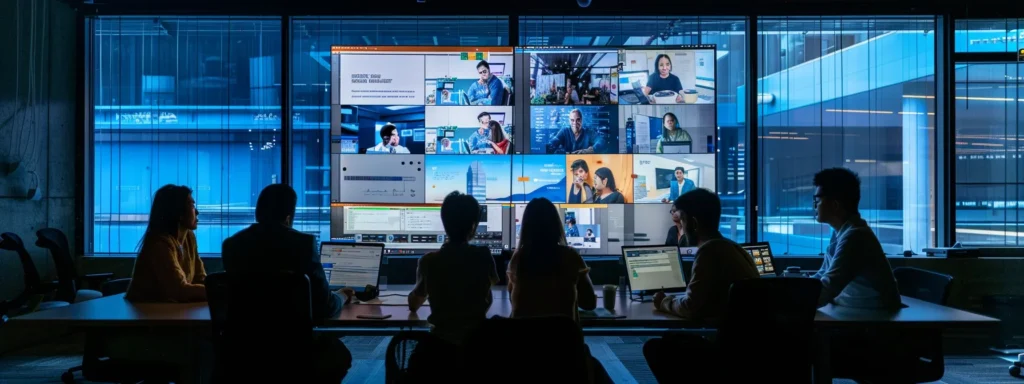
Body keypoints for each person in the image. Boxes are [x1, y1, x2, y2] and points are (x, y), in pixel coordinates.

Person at [221, 184, 354, 382]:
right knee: (339, 354)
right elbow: (324, 306)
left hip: (243, 349)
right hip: (295, 349)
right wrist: (343, 295)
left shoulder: (231, 245)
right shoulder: (303, 244)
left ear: (258, 213)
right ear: (289, 217)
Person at [644, 189, 759, 383]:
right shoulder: (734, 248)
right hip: (750, 350)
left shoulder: (709, 252)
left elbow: (690, 307)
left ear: (694, 223)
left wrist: (664, 301)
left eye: (681, 221)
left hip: (729, 354)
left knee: (657, 348)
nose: (679, 227)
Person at [506, 198, 611, 383]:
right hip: (567, 354)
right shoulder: (569, 256)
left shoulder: (518, 258)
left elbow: (513, 299)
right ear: (557, 225)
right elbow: (589, 304)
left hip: (522, 356)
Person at [408, 191, 499, 346]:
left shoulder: (429, 261)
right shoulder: (483, 256)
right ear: (473, 225)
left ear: (445, 223)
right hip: (477, 346)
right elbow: (487, 297)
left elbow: (414, 304)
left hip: (440, 349)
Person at [811, 168, 901, 310]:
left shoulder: (855, 237)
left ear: (835, 205)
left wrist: (783, 302)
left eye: (817, 199)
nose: (814, 205)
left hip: (872, 321)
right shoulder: (839, 233)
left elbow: (826, 289)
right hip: (852, 312)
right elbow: (823, 275)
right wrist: (794, 289)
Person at [126, 184, 207, 303]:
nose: (197, 211)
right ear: (178, 212)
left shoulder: (189, 237)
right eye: (192, 205)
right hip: (145, 313)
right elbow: (178, 290)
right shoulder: (159, 244)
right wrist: (219, 291)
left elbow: (200, 278)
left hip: (170, 310)